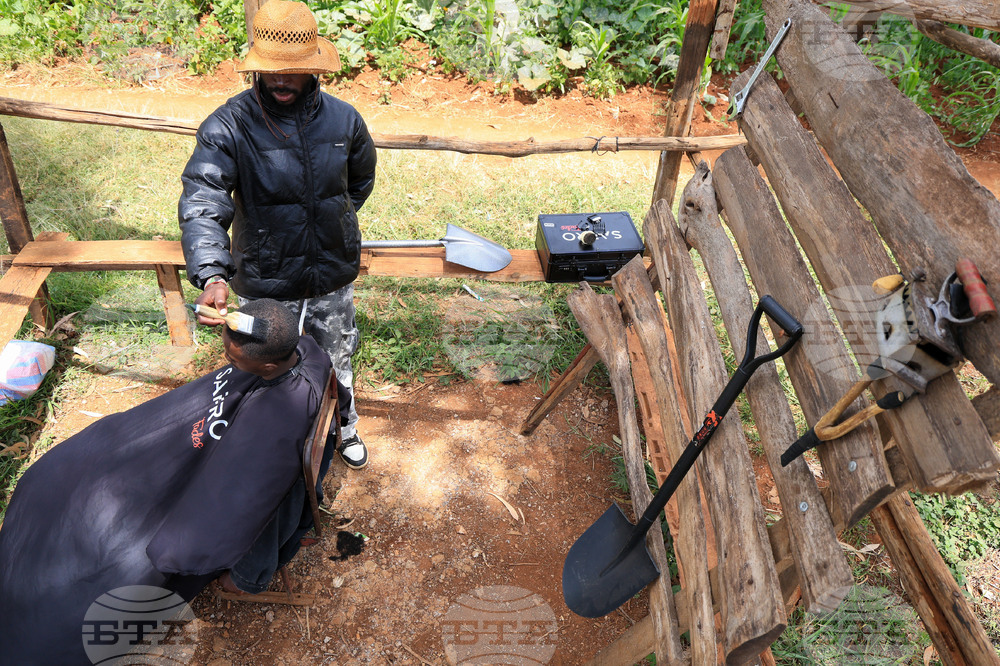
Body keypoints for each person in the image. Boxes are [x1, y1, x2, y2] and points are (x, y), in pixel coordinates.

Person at [0, 299, 348, 664]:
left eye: (232, 361)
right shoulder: (299, 346)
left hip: (182, 482)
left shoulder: (274, 424)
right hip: (176, 451)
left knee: (95, 570)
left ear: (265, 367)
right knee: (66, 473)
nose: (228, 363)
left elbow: (233, 506)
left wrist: (174, 553)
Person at [179, 0, 377, 471]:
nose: (282, 80)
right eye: (272, 71)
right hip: (265, 279)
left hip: (331, 274)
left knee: (336, 355)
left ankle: (344, 427)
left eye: (293, 70)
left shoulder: (344, 120)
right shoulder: (229, 125)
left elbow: (360, 182)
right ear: (256, 69)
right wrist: (211, 273)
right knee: (263, 368)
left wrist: (331, 225)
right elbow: (203, 200)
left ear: (313, 68)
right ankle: (270, 450)